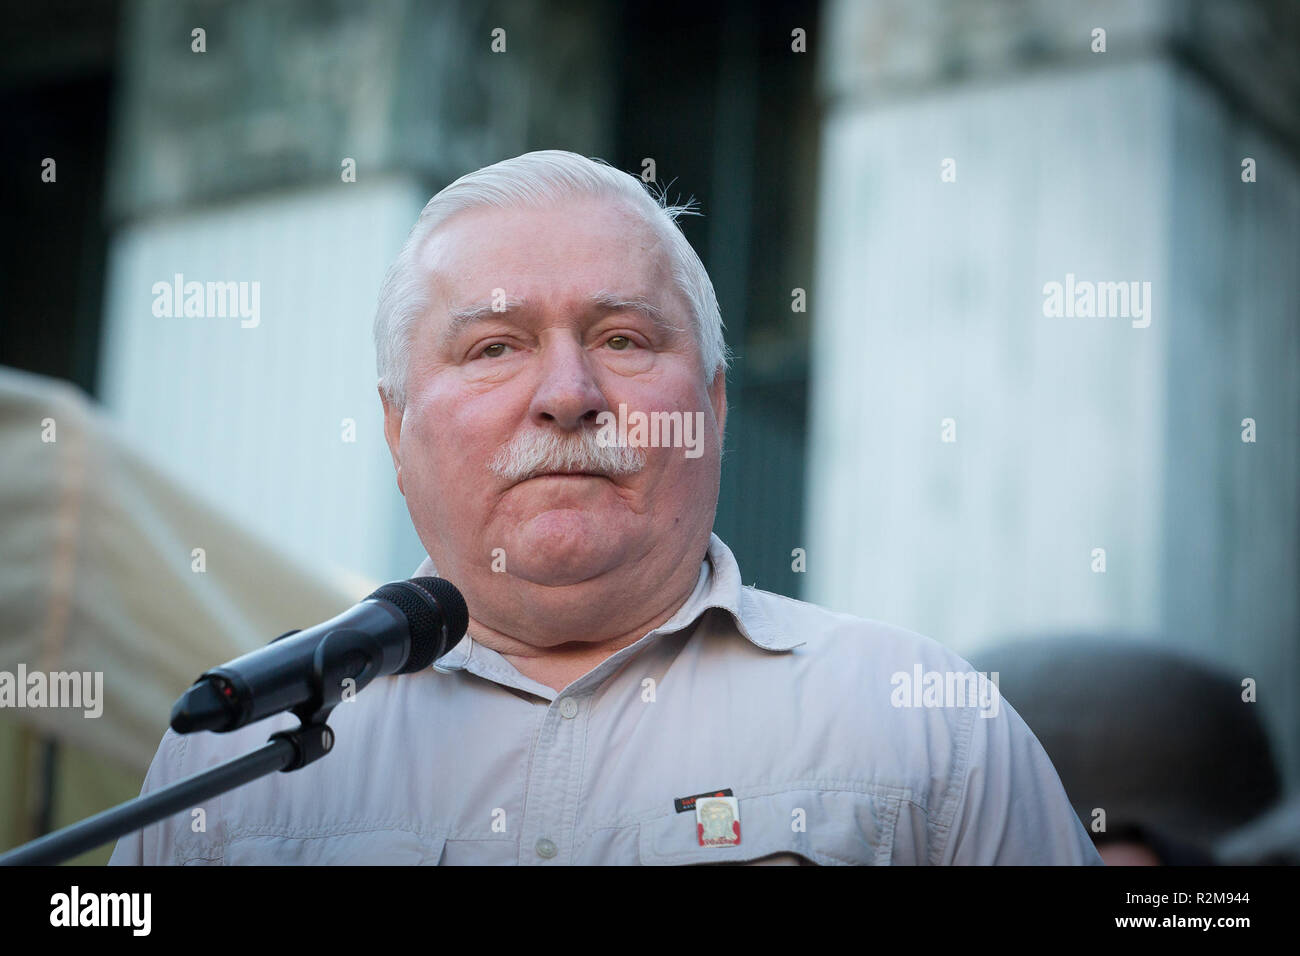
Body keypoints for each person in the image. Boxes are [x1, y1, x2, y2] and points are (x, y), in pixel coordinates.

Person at [110, 150, 1101, 865]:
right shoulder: (235, 765)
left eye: (624, 338)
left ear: (710, 405)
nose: (568, 392)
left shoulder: (924, 724)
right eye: (493, 347)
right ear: (395, 425)